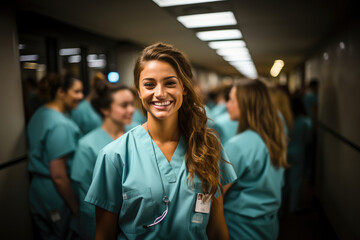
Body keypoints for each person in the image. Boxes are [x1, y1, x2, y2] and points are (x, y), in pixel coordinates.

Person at [85, 42, 236, 240]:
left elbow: (217, 230)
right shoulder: (115, 156)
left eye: (170, 83)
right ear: (139, 91)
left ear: (184, 88)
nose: (159, 93)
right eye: (149, 84)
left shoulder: (208, 147)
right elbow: (104, 235)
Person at [223, 79, 288, 240]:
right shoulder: (273, 137)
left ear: (245, 104)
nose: (227, 105)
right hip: (267, 225)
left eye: (231, 99)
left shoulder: (237, 145)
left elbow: (215, 194)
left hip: (239, 228)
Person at [70, 82, 135, 239]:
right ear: (105, 109)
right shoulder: (88, 145)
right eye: (124, 105)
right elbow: (87, 196)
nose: (131, 110)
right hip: (98, 220)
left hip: (135, 217)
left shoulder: (139, 134)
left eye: (132, 104)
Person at [27, 73, 83, 239]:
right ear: (61, 92)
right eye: (76, 91)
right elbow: (58, 175)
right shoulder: (60, 125)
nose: (81, 96)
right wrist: (74, 207)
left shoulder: (40, 113)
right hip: (56, 194)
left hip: (39, 192)